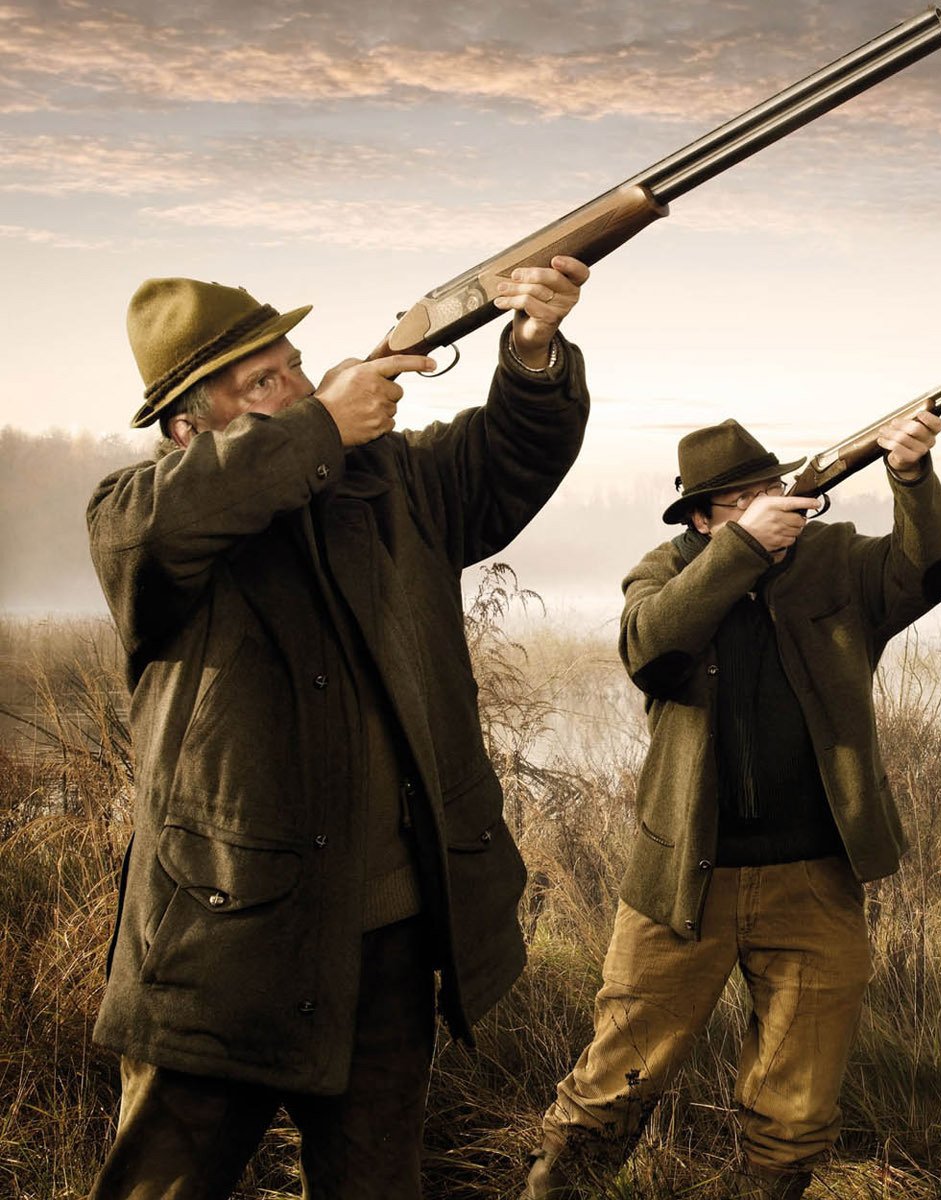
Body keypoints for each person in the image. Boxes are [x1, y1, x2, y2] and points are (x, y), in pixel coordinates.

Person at [84, 256, 594, 1198]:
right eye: (263, 382)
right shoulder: (142, 517)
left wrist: (530, 351)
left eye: (295, 363)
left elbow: (506, 460)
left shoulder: (387, 483)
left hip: (386, 938)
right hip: (220, 943)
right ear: (189, 425)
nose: (305, 385)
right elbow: (161, 528)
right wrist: (322, 425)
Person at [526, 415, 941, 1199]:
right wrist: (744, 548)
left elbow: (923, 574)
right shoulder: (661, 574)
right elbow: (652, 652)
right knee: (612, 1084)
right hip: (684, 879)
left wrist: (911, 478)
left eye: (775, 490)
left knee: (797, 1110)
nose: (772, 507)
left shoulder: (833, 561)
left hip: (814, 878)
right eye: (743, 500)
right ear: (702, 517)